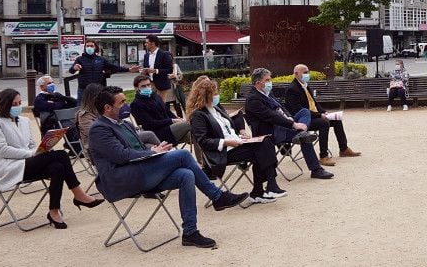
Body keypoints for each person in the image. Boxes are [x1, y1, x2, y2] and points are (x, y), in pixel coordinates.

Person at [87, 89, 247, 248]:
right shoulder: (99, 128)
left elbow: (138, 148)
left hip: (141, 172)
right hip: (122, 179)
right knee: (183, 155)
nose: (126, 105)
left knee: (186, 175)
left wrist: (157, 149)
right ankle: (217, 196)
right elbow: (120, 155)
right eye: (121, 102)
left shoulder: (125, 124)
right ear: (107, 108)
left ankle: (190, 232)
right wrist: (151, 152)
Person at [0, 89, 104, 229]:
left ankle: (53, 211)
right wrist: (32, 154)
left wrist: (42, 149)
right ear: (4, 104)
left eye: (19, 103)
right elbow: (1, 150)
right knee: (62, 155)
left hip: (28, 163)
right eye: (14, 104)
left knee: (57, 167)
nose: (18, 106)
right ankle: (79, 195)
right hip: (9, 166)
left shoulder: (24, 120)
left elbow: (31, 145)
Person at [187, 76, 285, 205]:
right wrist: (227, 142)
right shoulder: (198, 115)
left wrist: (239, 136)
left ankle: (264, 189)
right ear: (206, 95)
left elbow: (228, 129)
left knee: (265, 142)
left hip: (236, 144)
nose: (218, 96)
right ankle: (265, 189)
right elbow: (203, 141)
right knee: (261, 149)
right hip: (222, 152)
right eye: (215, 93)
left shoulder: (216, 109)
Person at [243, 68, 332, 179]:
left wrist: (290, 118)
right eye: (267, 80)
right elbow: (272, 117)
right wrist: (293, 124)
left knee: (304, 112)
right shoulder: (253, 99)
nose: (270, 82)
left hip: (284, 123)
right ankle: (316, 169)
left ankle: (300, 132)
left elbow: (281, 107)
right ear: (258, 83)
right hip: (272, 131)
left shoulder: (266, 92)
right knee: (304, 136)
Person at [284, 64, 361, 165]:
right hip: (303, 120)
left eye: (308, 72)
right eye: (305, 72)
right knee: (323, 123)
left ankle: (344, 149)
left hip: (314, 115)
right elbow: (298, 110)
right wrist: (319, 115)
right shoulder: (292, 89)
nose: (308, 74)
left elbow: (314, 104)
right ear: (296, 74)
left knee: (337, 119)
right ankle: (323, 156)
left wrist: (324, 112)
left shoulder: (305, 85)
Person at [130, 75, 191, 145]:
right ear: (136, 88)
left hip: (170, 129)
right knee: (190, 123)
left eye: (148, 85)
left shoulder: (155, 96)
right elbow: (150, 124)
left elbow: (167, 111)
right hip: (157, 134)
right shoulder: (136, 104)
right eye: (143, 86)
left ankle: (203, 156)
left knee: (196, 135)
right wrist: (171, 121)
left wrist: (176, 118)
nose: (147, 87)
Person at [138, 35, 180, 116]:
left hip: (162, 84)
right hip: (150, 84)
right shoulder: (146, 55)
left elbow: (170, 69)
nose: (145, 44)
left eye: (146, 42)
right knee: (149, 104)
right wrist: (143, 71)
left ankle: (164, 120)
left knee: (160, 105)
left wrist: (156, 71)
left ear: (153, 43)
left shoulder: (164, 54)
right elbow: (146, 69)